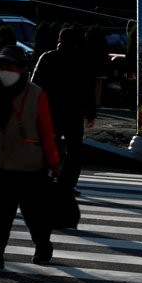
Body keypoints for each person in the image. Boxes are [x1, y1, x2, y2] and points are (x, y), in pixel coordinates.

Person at [0, 46, 62, 271]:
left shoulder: (37, 94)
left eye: (9, 66)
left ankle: (42, 245)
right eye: (1, 66)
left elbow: (47, 132)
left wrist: (54, 163)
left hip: (30, 167)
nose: (4, 70)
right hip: (0, 164)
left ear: (22, 69)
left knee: (34, 214)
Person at [32, 26, 97, 195]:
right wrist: (91, 113)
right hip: (73, 111)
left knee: (47, 145)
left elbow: (35, 85)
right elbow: (88, 88)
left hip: (50, 110)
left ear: (59, 40)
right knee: (74, 150)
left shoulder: (47, 57)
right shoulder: (82, 60)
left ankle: (44, 178)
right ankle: (67, 183)